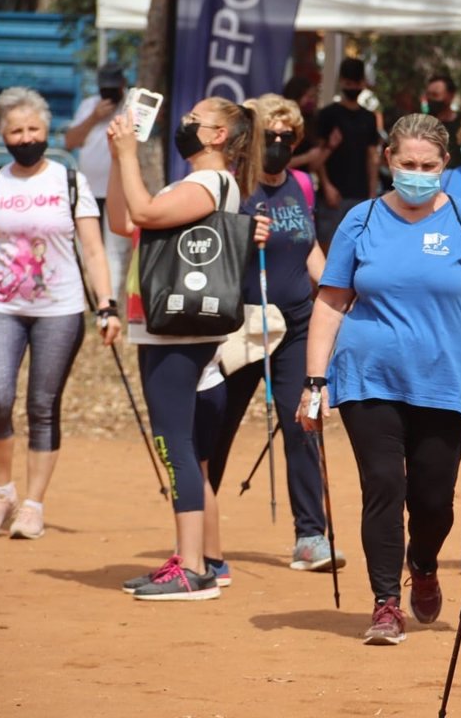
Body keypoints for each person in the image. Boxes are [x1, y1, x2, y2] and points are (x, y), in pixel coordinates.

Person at [297, 113, 461, 645]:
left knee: (433, 499)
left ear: (444, 165)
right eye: (408, 164)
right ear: (389, 161)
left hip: (443, 378)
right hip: (367, 375)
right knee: (383, 484)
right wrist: (315, 381)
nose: (417, 174)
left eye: (428, 166)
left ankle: (423, 562)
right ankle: (385, 603)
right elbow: (331, 302)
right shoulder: (362, 220)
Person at [105, 96, 270, 601]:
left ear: (219, 135)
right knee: (190, 453)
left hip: (179, 330)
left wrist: (130, 154)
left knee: (173, 443)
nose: (184, 124)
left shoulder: (209, 183)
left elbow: (144, 211)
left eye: (194, 120)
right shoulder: (192, 183)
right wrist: (117, 158)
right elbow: (123, 221)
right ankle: (205, 561)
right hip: (168, 327)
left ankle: (192, 568)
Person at [0, 86, 121, 540]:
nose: (26, 138)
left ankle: (33, 505)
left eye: (33, 129)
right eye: (16, 131)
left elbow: (93, 250)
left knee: (42, 406)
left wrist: (106, 306)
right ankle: (2, 491)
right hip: (2, 306)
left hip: (60, 310)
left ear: (47, 130)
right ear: (3, 135)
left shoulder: (69, 182)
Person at [194, 93, 343, 573]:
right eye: (268, 135)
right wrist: (242, 235)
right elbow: (205, 249)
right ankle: (198, 534)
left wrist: (340, 293)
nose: (278, 144)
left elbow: (309, 248)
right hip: (241, 327)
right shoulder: (231, 186)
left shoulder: (301, 183)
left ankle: (310, 536)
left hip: (295, 325)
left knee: (303, 424)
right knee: (216, 429)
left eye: (287, 136)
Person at [65, 63, 133, 300]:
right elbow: (70, 141)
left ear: (123, 85)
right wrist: (94, 117)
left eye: (114, 89)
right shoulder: (89, 105)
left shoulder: (132, 105)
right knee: (88, 249)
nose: (109, 95)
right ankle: (93, 299)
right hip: (89, 190)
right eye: (105, 89)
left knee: (115, 252)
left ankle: (110, 303)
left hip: (119, 191)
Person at [315, 57, 382, 251]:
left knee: (359, 248)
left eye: (356, 83)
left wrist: (372, 192)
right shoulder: (328, 114)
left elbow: (372, 157)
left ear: (363, 83)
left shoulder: (369, 118)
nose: (352, 87)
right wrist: (326, 185)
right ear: (342, 82)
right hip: (332, 196)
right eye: (348, 83)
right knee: (328, 247)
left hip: (360, 194)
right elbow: (317, 155)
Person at [425, 74, 461, 168]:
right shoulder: (422, 124)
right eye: (428, 95)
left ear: (450, 96)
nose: (430, 99)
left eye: (435, 95)